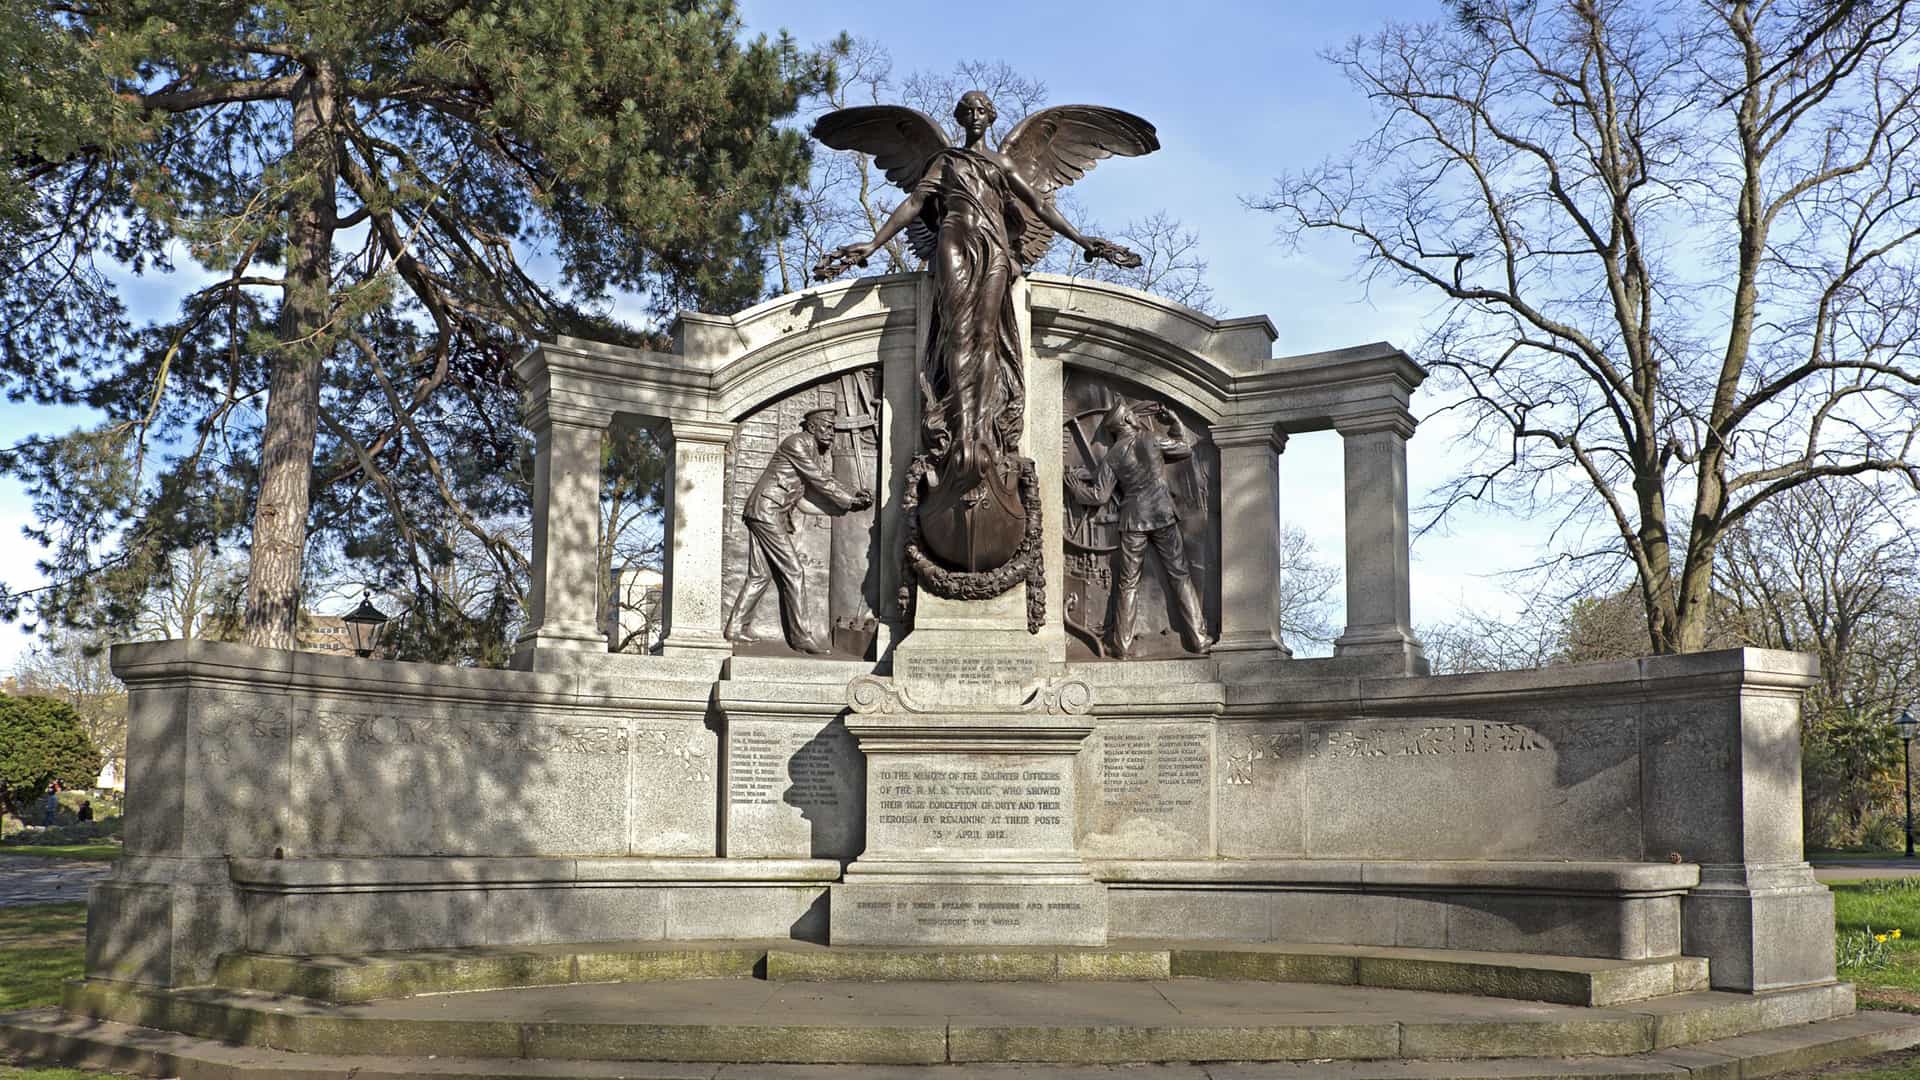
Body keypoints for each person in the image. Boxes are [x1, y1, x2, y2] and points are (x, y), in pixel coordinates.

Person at [1067, 400, 1214, 658]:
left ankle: (1122, 646)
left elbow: (1099, 496)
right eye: (1132, 415)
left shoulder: (1113, 455)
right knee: (1180, 576)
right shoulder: (1152, 439)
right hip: (1162, 515)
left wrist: (1076, 489)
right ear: (1125, 421)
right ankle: (1199, 639)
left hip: (1133, 519)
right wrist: (1175, 423)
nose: (1136, 417)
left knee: (1128, 583)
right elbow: (1184, 447)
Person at [724, 408, 873, 653]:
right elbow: (819, 480)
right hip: (768, 510)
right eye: (826, 427)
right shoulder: (798, 443)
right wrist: (849, 500)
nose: (831, 433)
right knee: (794, 571)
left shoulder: (811, 448)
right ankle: (801, 636)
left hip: (767, 512)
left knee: (760, 575)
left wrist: (853, 496)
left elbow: (820, 481)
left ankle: (735, 627)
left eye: (833, 428)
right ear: (811, 427)